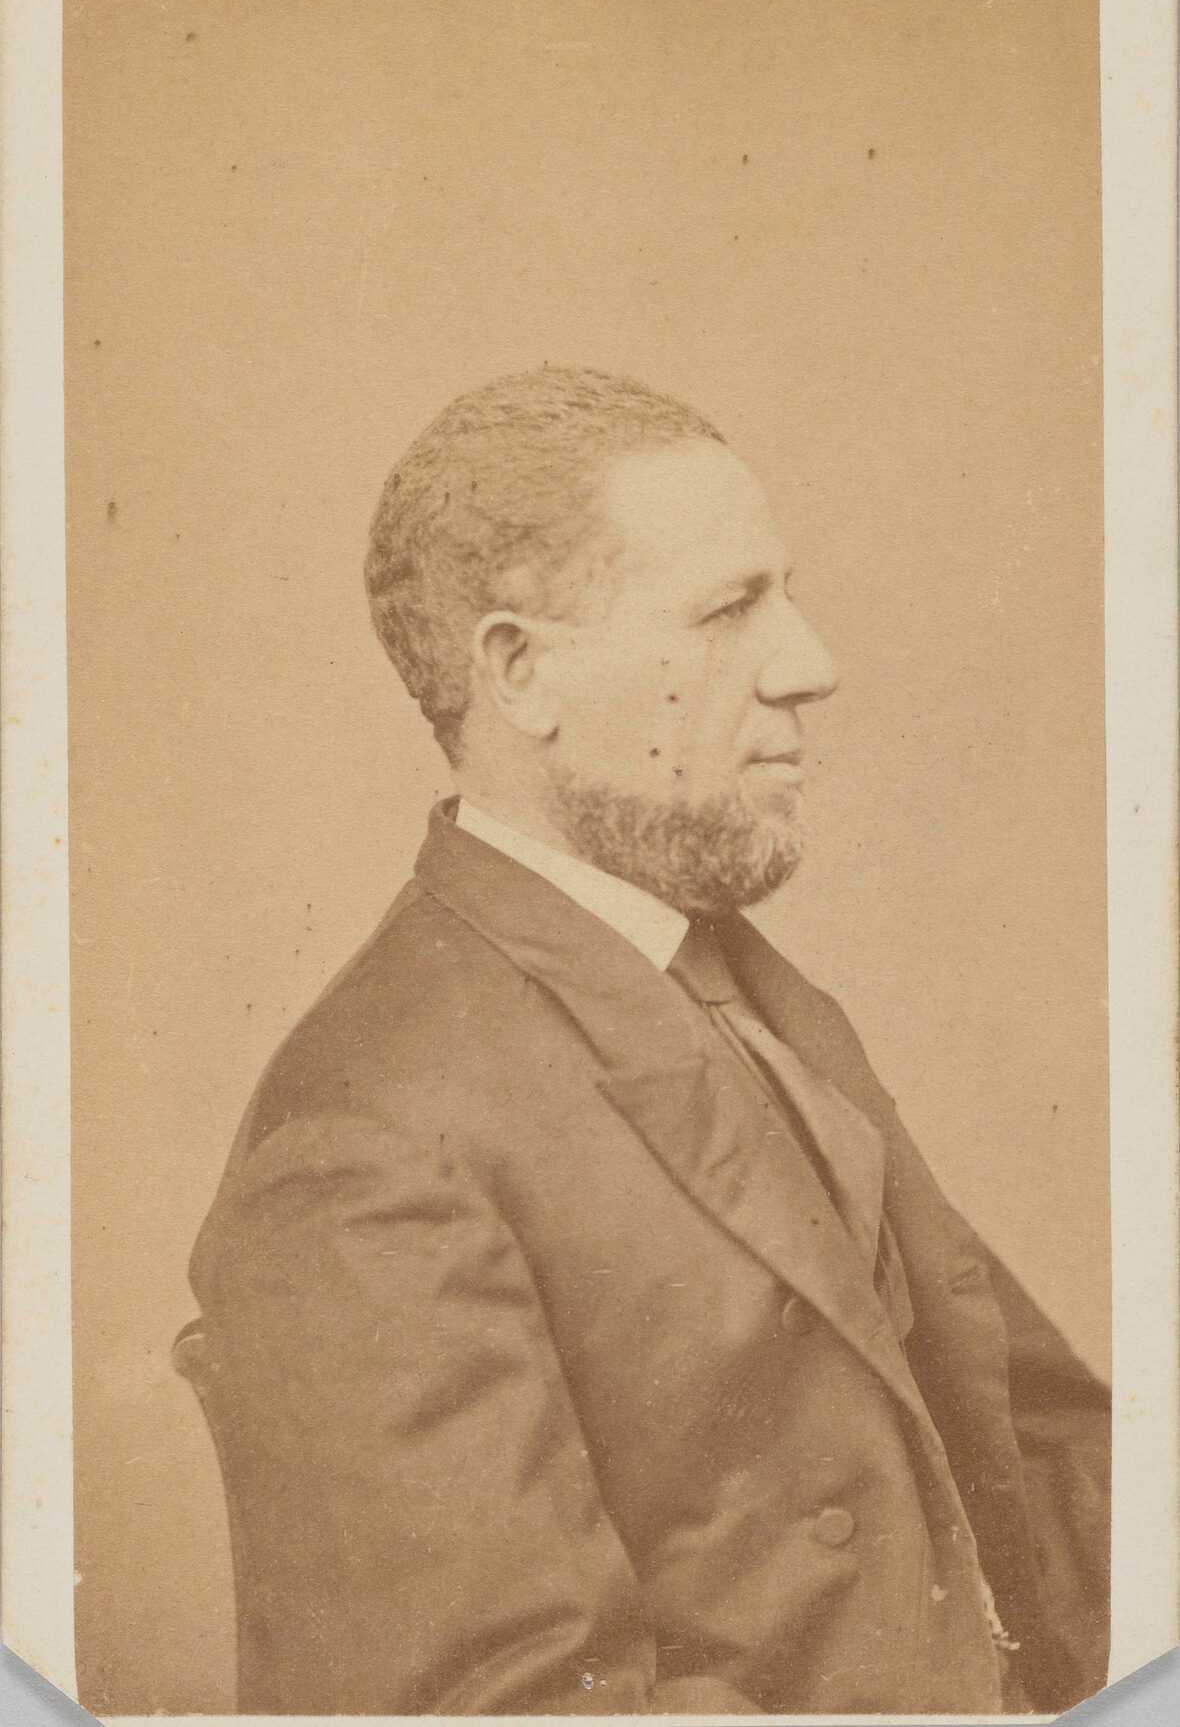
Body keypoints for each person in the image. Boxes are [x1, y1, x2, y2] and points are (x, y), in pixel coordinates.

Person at [187, 366, 1110, 1717]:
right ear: (522, 672)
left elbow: (1043, 1463)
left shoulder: (743, 992)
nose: (812, 664)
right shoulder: (365, 1142)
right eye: (730, 610)